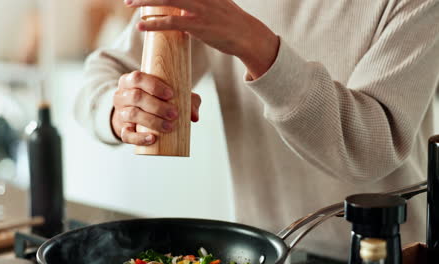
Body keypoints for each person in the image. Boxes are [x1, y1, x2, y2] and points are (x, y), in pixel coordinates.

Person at [75, 0, 439, 261]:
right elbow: (101, 73)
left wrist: (257, 46)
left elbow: (370, 148)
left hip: (386, 251)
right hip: (262, 249)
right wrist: (121, 106)